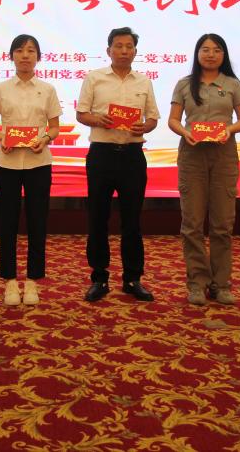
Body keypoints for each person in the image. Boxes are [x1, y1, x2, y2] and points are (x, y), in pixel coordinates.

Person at [76, 26, 160, 302]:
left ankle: (133, 279)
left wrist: (145, 127)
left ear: (135, 51)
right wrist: (97, 119)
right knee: (98, 218)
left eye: (129, 47)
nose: (124, 51)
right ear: (108, 50)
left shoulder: (143, 81)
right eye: (119, 46)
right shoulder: (94, 78)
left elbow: (152, 118)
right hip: (101, 154)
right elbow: (81, 114)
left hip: (132, 156)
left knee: (132, 220)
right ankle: (99, 278)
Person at [168, 34, 240, 306]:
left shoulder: (233, 84)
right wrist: (185, 132)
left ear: (223, 55)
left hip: (223, 155)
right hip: (192, 155)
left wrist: (229, 129)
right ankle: (197, 282)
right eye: (205, 49)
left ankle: (221, 284)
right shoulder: (184, 84)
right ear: (197, 54)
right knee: (192, 224)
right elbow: (173, 120)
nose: (211, 54)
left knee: (222, 224)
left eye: (216, 50)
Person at [0, 34, 62, 306]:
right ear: (11, 56)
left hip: (38, 163)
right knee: (7, 222)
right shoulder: (1, 89)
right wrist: (2, 137)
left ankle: (32, 281)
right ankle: (9, 281)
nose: (25, 55)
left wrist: (46, 138)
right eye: (19, 50)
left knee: (37, 222)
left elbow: (55, 127)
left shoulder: (48, 89)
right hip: (7, 163)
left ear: (38, 57)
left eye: (30, 50)